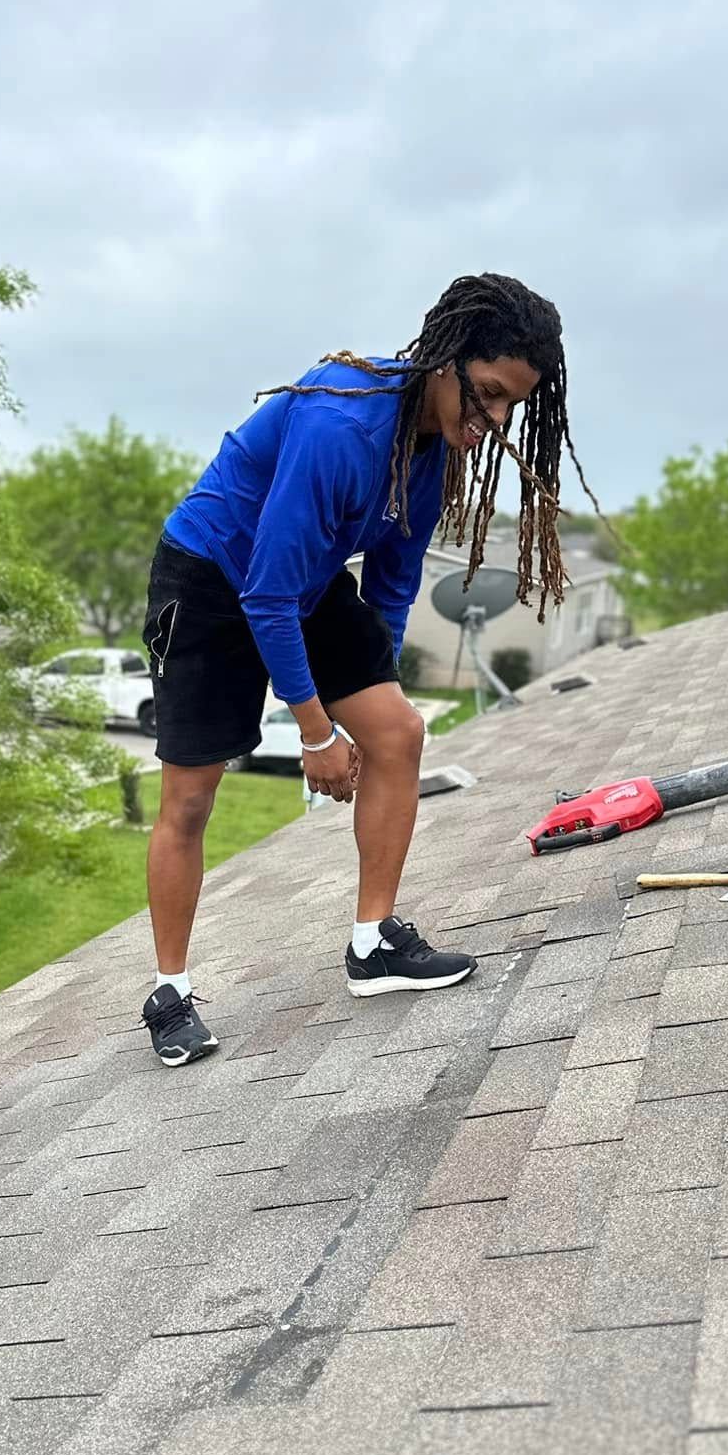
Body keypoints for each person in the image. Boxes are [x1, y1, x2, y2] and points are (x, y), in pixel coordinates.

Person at [137, 271, 590, 1066]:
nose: (493, 421)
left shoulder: (434, 449)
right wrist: (316, 734)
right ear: (445, 361)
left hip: (303, 581)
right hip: (211, 577)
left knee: (400, 732)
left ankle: (373, 944)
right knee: (192, 798)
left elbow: (389, 583)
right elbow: (265, 593)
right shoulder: (341, 424)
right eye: (484, 395)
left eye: (510, 406)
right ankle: (168, 992)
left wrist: (367, 702)